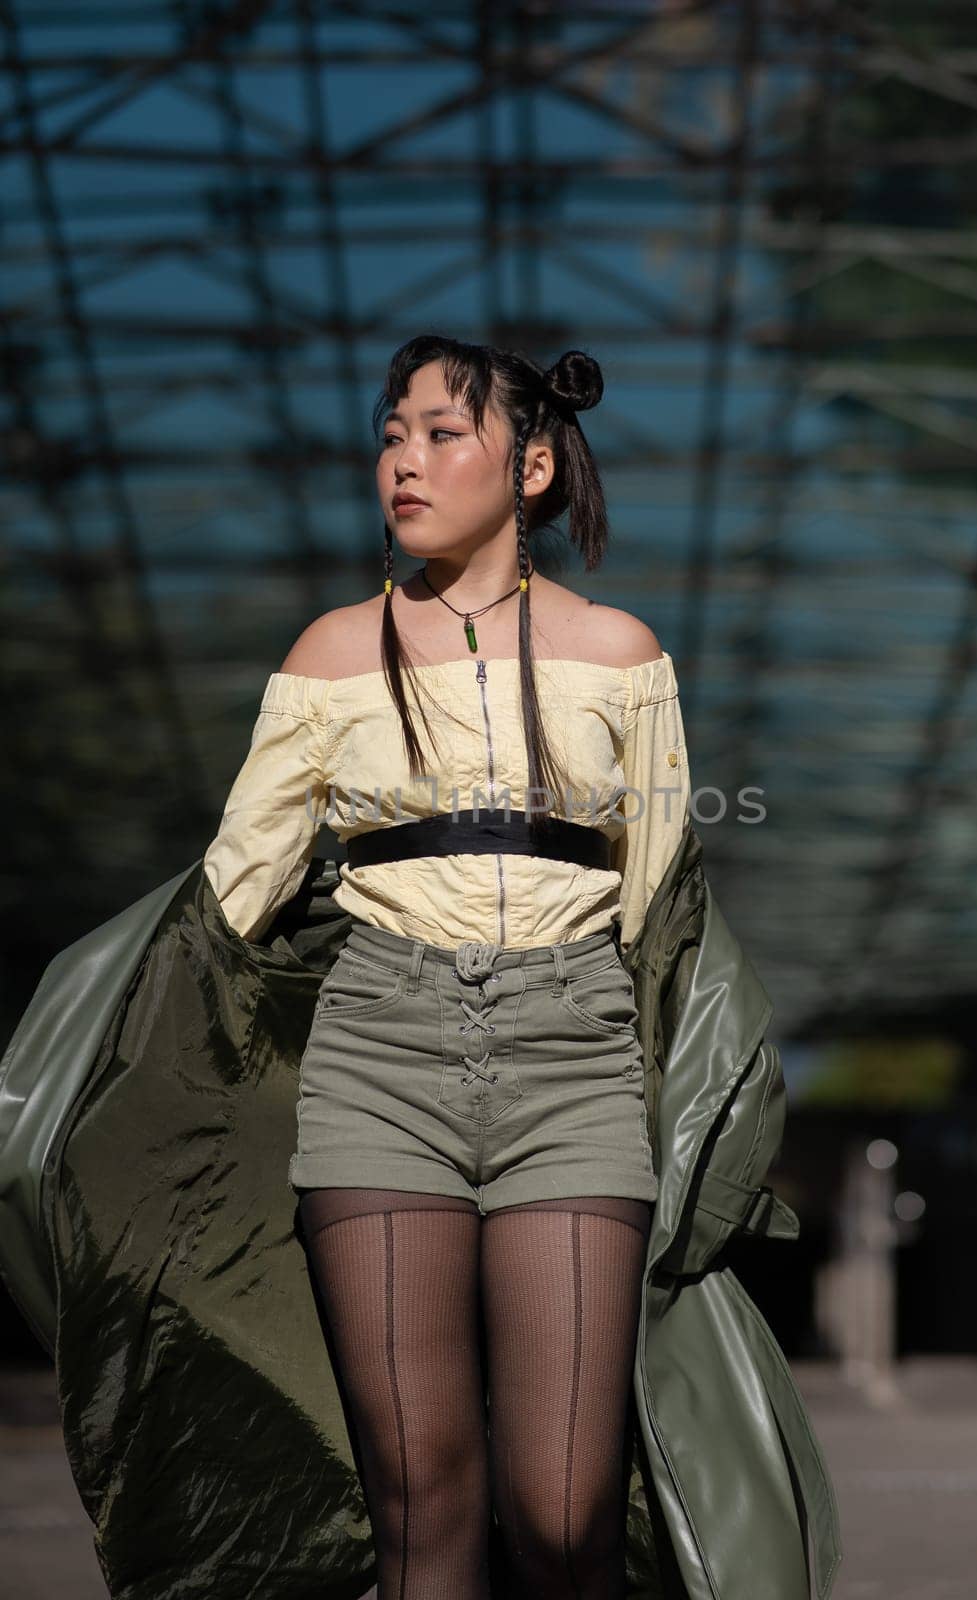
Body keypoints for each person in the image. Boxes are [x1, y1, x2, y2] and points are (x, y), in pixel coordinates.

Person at [200, 334, 693, 1599]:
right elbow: (233, 893)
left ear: (530, 465)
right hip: (375, 1061)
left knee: (568, 1507)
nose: (401, 460)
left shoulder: (623, 655)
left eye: (438, 432)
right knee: (421, 1499)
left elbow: (658, 894)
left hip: (572, 1059)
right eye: (389, 432)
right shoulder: (325, 656)